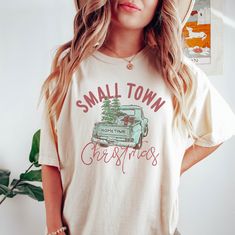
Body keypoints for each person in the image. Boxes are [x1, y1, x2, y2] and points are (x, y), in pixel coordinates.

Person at [37, 0, 235, 235]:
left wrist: (172, 167)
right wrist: (53, 227)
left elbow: (220, 129)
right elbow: (50, 158)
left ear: (161, 5)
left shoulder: (177, 72)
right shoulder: (70, 69)